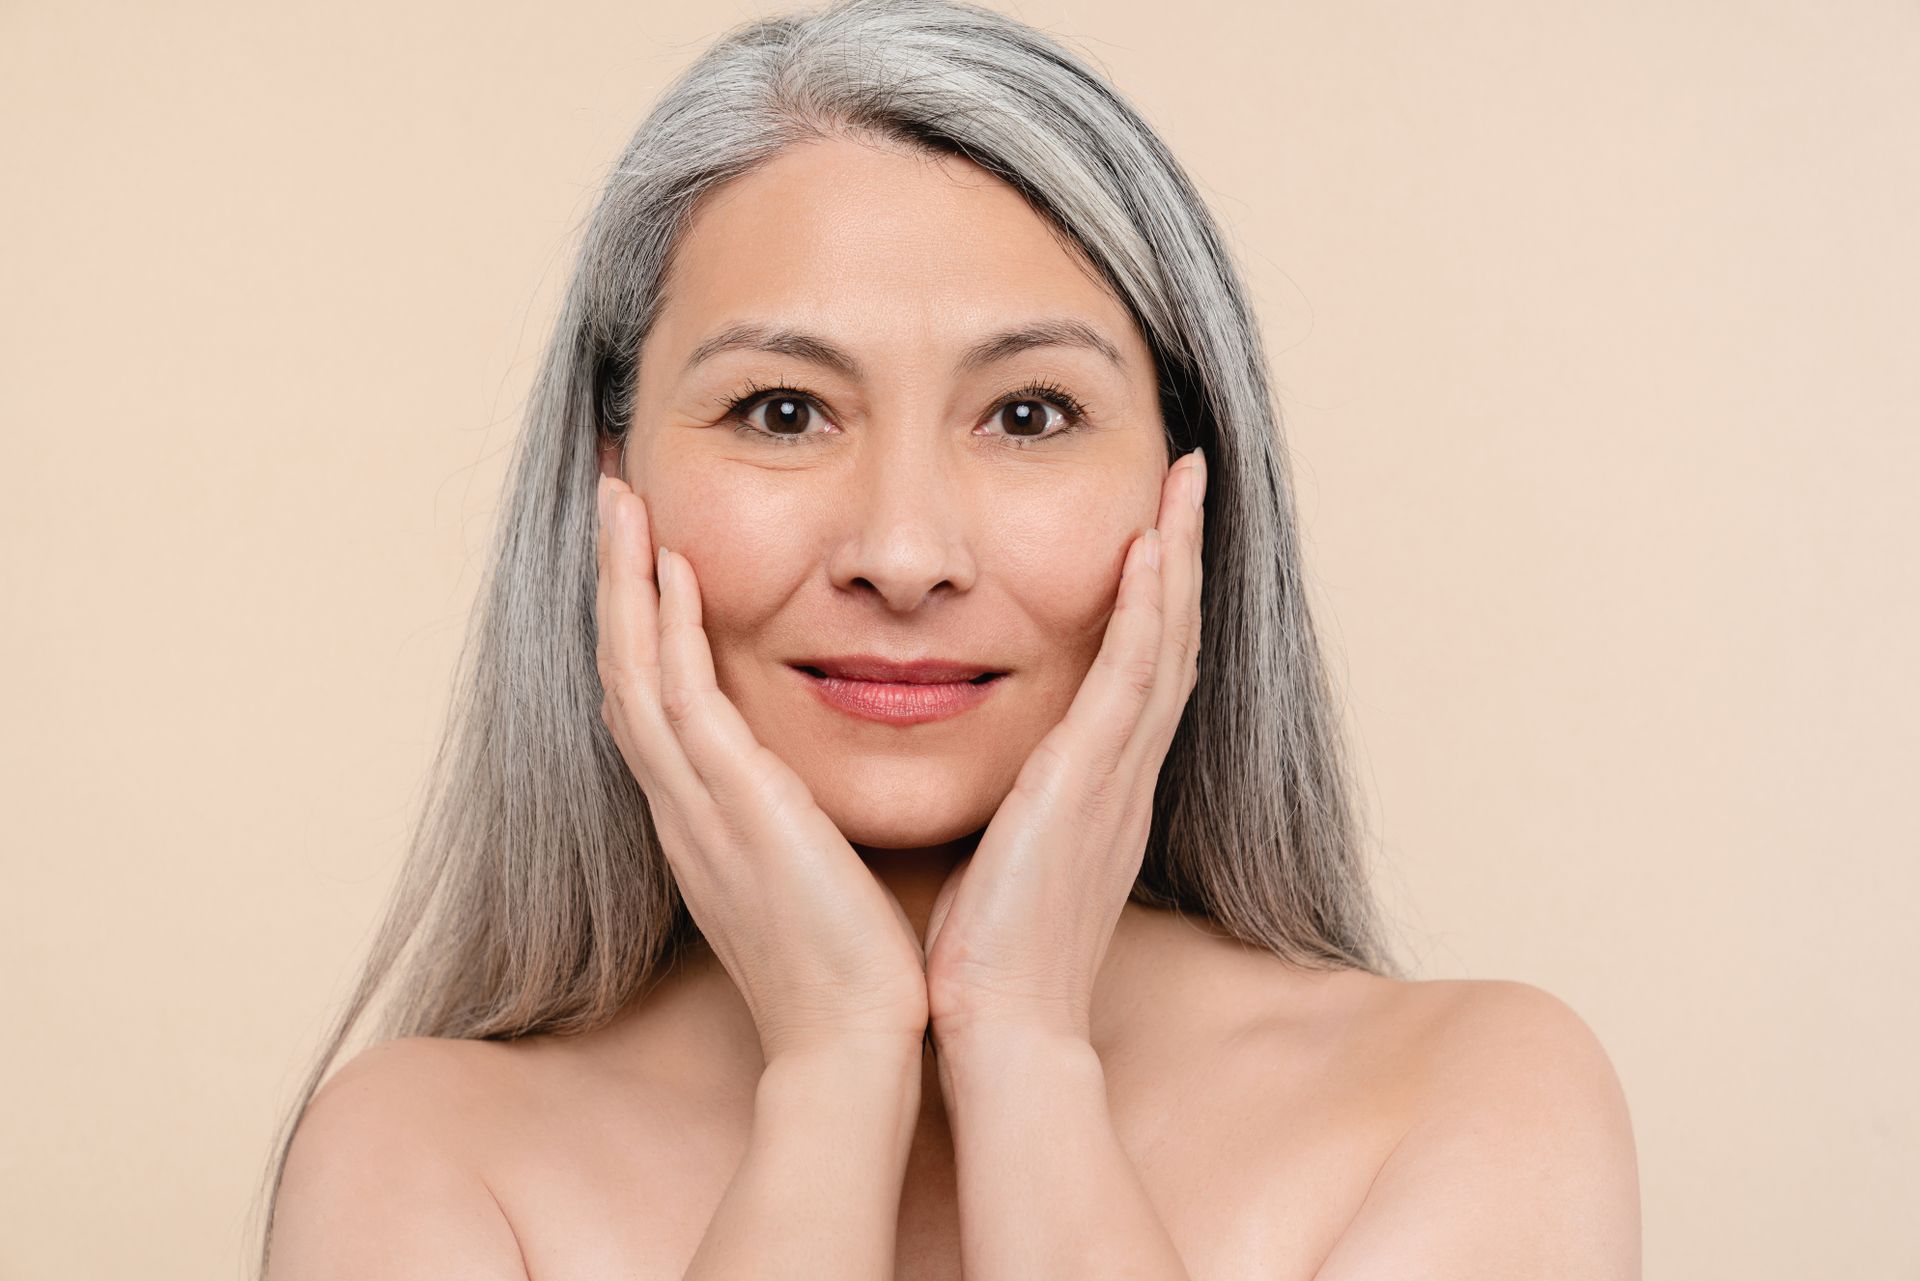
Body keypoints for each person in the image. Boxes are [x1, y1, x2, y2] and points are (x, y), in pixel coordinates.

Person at [255, 1, 1640, 1276]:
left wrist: (1023, 1044)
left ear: (1191, 486)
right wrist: (834, 1066)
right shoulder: (423, 1157)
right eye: (783, 411)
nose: (904, 554)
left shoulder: (1465, 1099)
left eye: (1028, 414)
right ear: (609, 483)